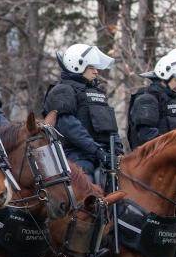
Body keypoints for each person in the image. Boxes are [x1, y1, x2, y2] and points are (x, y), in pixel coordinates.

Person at [42, 44, 123, 179]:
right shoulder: (63, 90)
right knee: (86, 182)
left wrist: (118, 151)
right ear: (76, 65)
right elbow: (69, 127)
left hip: (102, 154)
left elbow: (111, 128)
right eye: (91, 67)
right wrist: (97, 150)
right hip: (75, 155)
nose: (96, 72)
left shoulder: (97, 93)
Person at [127, 57, 176, 149]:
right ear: (164, 78)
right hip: (157, 156)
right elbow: (146, 135)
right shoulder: (147, 100)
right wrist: (175, 146)